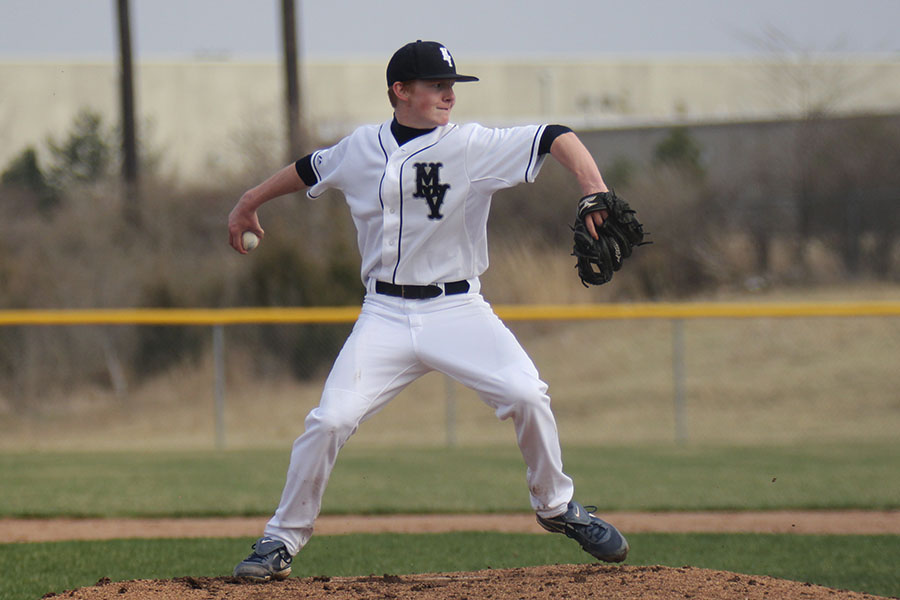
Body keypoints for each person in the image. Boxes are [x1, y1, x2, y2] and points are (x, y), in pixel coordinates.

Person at [227, 40, 628, 581]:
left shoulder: (471, 146)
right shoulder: (360, 147)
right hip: (383, 316)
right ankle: (280, 539)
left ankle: (558, 507)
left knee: (525, 393)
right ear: (401, 91)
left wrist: (592, 183)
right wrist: (249, 200)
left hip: (458, 309)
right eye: (438, 85)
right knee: (330, 420)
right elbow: (307, 168)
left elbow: (554, 137)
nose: (449, 96)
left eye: (452, 87)